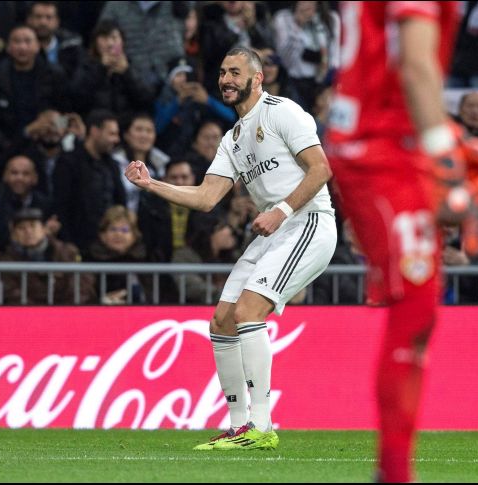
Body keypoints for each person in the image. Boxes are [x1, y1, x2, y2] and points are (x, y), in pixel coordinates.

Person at [325, 3, 478, 482]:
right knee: (414, 311)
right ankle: (393, 472)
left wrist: (440, 139)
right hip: (379, 149)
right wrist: (446, 164)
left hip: (385, 142)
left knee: (420, 312)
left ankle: (392, 469)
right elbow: (414, 64)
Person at [125, 46, 336, 450]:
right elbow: (206, 198)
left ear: (257, 79)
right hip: (274, 231)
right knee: (222, 321)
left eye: (236, 72)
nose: (226, 79)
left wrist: (281, 210)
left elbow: (322, 168)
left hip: (308, 223)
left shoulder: (281, 111)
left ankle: (262, 426)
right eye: (223, 72)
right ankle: (239, 426)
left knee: (249, 311)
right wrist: (151, 184)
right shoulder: (232, 138)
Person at [52, 109, 126, 254]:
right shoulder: (68, 162)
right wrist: (67, 242)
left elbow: (120, 203)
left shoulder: (113, 165)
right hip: (79, 246)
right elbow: (61, 204)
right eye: (111, 134)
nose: (116, 140)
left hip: (110, 246)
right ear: (94, 131)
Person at [0, 207, 96, 305]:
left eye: (33, 226)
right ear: (14, 234)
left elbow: (82, 285)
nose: (28, 232)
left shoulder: (67, 252)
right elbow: (12, 294)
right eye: (21, 228)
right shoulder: (8, 261)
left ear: (44, 229)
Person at [86, 205, 151, 304]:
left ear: (134, 235)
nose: (118, 234)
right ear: (103, 235)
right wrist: (101, 302)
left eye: (125, 230)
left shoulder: (148, 260)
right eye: (113, 229)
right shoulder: (89, 263)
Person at [25, 1, 84, 79]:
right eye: (38, 17)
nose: (43, 22)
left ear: (57, 22)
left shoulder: (72, 48)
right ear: (29, 20)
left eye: (49, 17)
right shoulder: (19, 48)